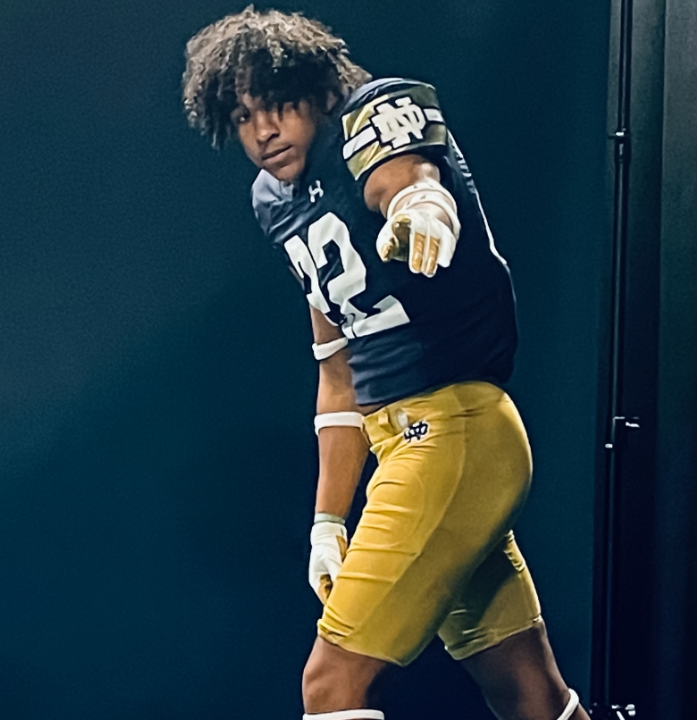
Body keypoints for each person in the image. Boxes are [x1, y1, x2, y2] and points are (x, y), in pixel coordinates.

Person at [182, 9, 587, 720]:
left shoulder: (369, 116)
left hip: (454, 431)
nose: (263, 130)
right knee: (531, 695)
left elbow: (402, 176)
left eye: (276, 104)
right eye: (242, 116)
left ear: (317, 90)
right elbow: (337, 367)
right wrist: (326, 522)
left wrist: (422, 204)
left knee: (330, 684)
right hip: (407, 444)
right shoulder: (273, 200)